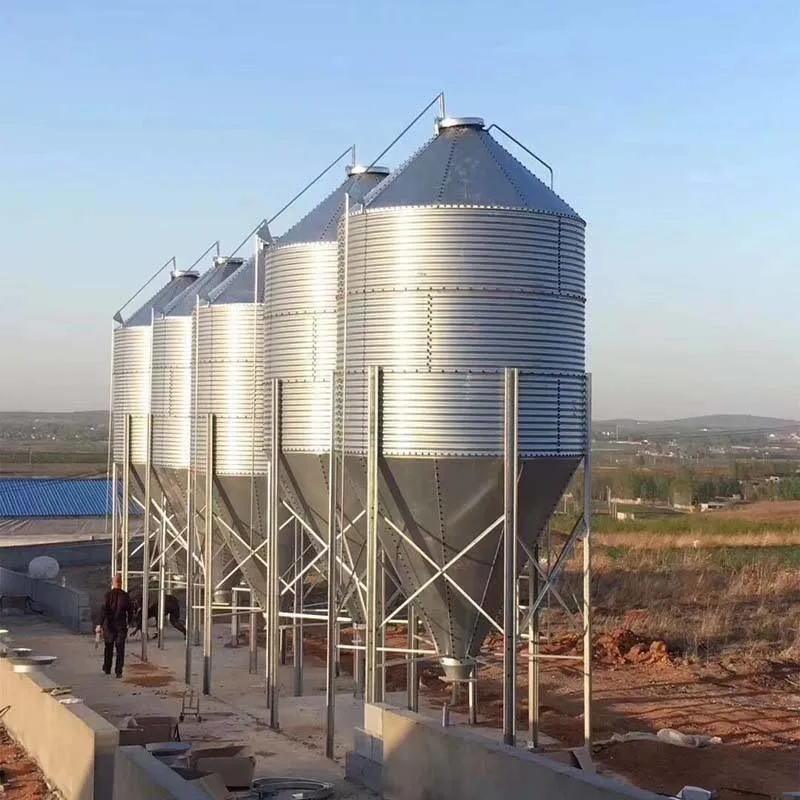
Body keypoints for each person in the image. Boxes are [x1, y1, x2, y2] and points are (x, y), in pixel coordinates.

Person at [96, 574, 133, 678]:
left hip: (109, 626)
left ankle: (107, 668)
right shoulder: (125, 596)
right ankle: (118, 671)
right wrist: (129, 622)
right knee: (120, 649)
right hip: (121, 626)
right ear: (121, 583)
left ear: (112, 583)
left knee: (108, 647)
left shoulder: (108, 595)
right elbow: (130, 611)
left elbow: (103, 611)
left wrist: (99, 624)